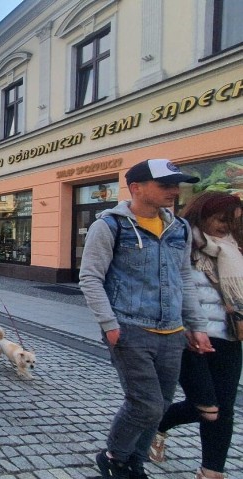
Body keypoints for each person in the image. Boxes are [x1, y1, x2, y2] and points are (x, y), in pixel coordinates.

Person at [79, 158, 213, 479]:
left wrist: (196, 326)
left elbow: (184, 278)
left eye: (176, 185)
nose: (174, 191)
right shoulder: (110, 226)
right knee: (146, 404)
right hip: (130, 329)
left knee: (162, 405)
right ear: (137, 188)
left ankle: (134, 461)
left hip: (172, 332)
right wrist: (109, 324)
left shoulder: (178, 227)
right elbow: (90, 278)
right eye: (165, 185)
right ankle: (113, 455)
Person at [152, 192, 243, 479]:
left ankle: (211, 472)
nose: (226, 226)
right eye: (221, 219)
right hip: (188, 337)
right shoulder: (179, 242)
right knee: (206, 407)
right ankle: (156, 423)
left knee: (224, 410)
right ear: (203, 213)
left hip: (228, 338)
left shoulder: (235, 249)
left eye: (233, 221)